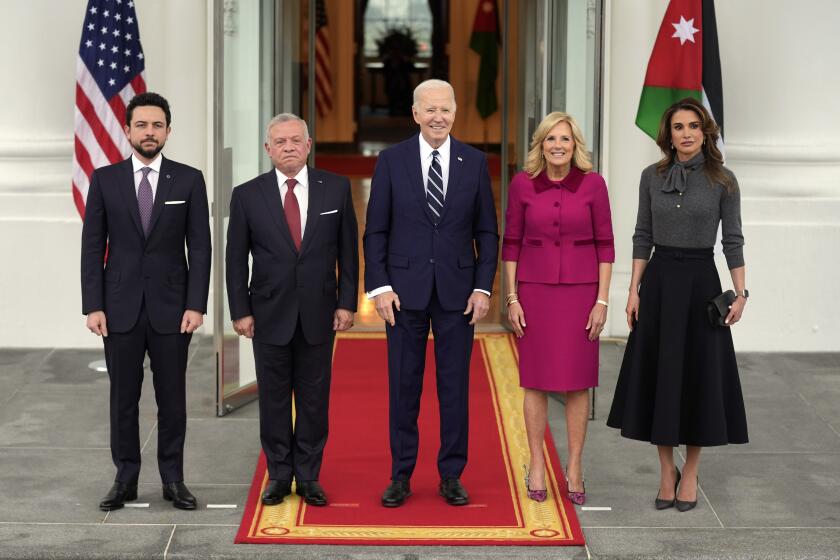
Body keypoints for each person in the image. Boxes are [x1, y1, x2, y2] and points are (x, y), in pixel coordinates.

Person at [607, 97, 749, 512]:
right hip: (660, 283)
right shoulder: (651, 176)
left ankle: (691, 472)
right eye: (677, 127)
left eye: (692, 126)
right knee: (662, 377)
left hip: (702, 284)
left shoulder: (724, 180)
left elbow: (734, 241)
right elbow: (641, 234)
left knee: (699, 378)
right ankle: (666, 470)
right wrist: (633, 289)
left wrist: (741, 294)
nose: (685, 133)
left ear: (705, 132)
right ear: (667, 135)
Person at [364, 79, 499, 507]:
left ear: (455, 113)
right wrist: (380, 287)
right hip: (402, 295)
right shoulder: (390, 160)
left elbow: (486, 231)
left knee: (454, 388)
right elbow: (376, 231)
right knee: (404, 388)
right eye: (430, 109)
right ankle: (401, 476)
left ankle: (451, 475)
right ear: (416, 113)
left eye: (445, 109)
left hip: (458, 296)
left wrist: (482, 287)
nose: (438, 117)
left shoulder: (474, 162)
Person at [81, 92, 211, 511]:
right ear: (127, 130)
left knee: (172, 398)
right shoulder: (105, 179)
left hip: (173, 309)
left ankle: (173, 479)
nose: (149, 132)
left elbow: (201, 248)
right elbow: (91, 247)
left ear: (168, 131)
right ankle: (125, 478)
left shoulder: (189, 180)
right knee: (123, 397)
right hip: (118, 306)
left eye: (157, 125)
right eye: (142, 125)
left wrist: (196, 304)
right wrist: (93, 305)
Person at [226, 113, 358, 507]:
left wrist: (347, 302)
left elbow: (349, 253)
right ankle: (280, 474)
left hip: (320, 313)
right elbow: (236, 261)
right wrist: (240, 310)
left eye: (295, 141)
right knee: (274, 399)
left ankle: (310, 475)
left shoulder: (335, 188)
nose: (288, 147)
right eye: (280, 142)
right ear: (268, 149)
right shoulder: (248, 194)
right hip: (267, 314)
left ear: (308, 144)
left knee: (315, 400)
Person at [502, 112, 614, 505]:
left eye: (565, 139)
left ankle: (576, 465)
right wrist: (512, 297)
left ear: (575, 144)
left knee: (576, 382)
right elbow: (511, 242)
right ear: (541, 144)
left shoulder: (594, 185)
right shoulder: (522, 185)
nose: (558, 145)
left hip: (582, 294)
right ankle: (536, 463)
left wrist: (602, 300)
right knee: (535, 381)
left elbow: (606, 246)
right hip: (534, 294)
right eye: (551, 139)